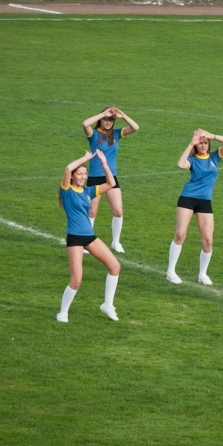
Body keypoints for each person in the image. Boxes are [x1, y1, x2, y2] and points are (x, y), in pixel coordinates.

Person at [56, 150, 121, 323]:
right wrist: (85, 158)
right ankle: (63, 313)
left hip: (90, 237)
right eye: (79, 174)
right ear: (72, 176)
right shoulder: (67, 190)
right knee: (76, 280)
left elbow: (111, 183)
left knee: (115, 266)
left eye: (85, 174)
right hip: (75, 238)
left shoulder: (88, 191)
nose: (83, 177)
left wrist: (104, 163)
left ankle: (107, 304)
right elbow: (68, 168)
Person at [166, 128, 223, 285]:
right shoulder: (193, 159)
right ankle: (170, 271)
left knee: (208, 240)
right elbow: (181, 164)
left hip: (205, 201)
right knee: (180, 234)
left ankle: (202, 274)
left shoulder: (215, 157)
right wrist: (191, 144)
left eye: (205, 143)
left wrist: (211, 136)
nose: (203, 145)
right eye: (200, 143)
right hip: (188, 198)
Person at [81, 107, 140, 253]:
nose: (108, 122)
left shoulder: (116, 134)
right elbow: (85, 124)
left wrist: (123, 115)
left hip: (111, 177)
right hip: (95, 177)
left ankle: (116, 242)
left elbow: (135, 127)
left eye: (111, 120)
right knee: (92, 211)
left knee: (118, 211)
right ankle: (86, 242)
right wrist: (103, 113)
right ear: (101, 119)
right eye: (106, 120)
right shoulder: (93, 134)